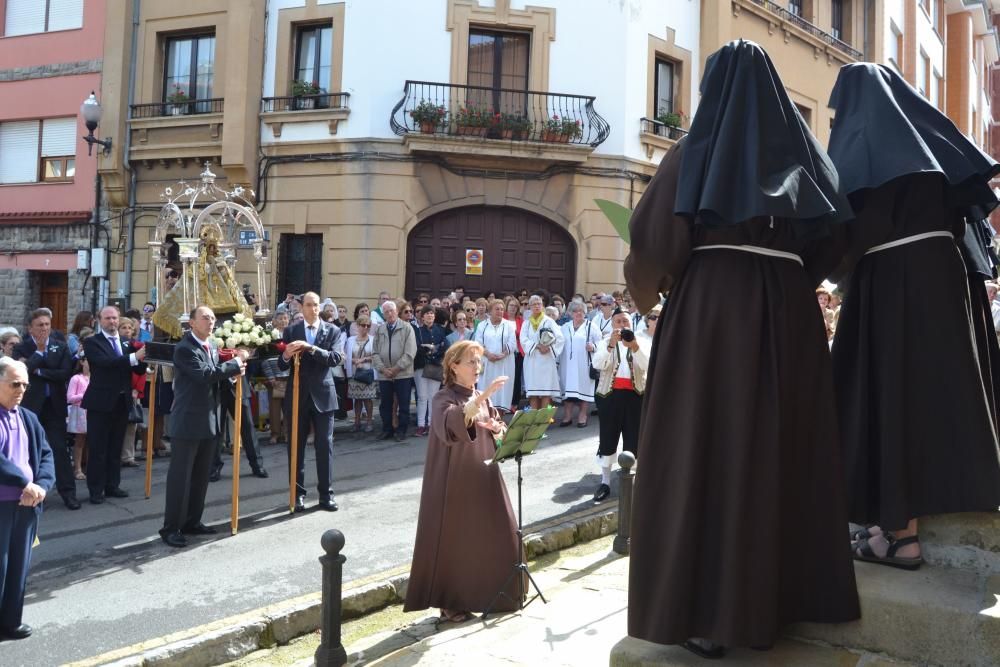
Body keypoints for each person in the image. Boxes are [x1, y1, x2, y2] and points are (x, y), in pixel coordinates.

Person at [623, 40, 860, 656]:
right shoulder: (807, 159)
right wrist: (787, 278)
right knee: (782, 448)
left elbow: (652, 245)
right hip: (789, 315)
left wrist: (655, 290)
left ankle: (710, 613)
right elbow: (836, 238)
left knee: (709, 448)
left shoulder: (693, 153)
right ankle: (786, 599)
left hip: (712, 317)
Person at [827, 62, 1000, 567]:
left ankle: (900, 534)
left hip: (892, 281)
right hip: (949, 281)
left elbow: (842, 230)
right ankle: (905, 521)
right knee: (936, 395)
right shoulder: (930, 144)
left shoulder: (862, 148)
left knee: (892, 397)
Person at [403, 341, 521, 622]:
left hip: (484, 475)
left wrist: (498, 427)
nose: (477, 367)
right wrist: (482, 399)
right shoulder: (444, 397)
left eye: (479, 362)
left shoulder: (482, 395)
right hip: (453, 480)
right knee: (455, 541)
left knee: (498, 531)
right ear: (453, 366)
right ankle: (450, 602)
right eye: (471, 361)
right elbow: (451, 424)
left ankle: (497, 593)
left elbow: (497, 428)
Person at [159, 306, 247, 548]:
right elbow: (204, 375)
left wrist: (232, 374)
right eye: (206, 318)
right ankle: (171, 527)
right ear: (192, 323)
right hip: (187, 421)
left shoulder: (213, 346)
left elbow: (214, 381)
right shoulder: (185, 349)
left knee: (200, 477)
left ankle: (191, 521)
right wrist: (235, 363)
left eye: (213, 318)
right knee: (181, 477)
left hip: (209, 419)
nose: (211, 322)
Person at [0, 357, 55, 639]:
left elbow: (46, 455)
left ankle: (10, 621)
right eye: (15, 384)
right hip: (3, 505)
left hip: (28, 505)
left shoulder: (29, 417)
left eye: (25, 384)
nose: (21, 389)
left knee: (19, 566)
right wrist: (25, 483)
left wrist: (42, 486)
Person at [279, 292, 344, 512]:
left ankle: (326, 495)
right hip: (297, 395)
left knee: (324, 446)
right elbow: (280, 365)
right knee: (295, 447)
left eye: (316, 305)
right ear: (301, 308)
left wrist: (312, 349)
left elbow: (335, 359)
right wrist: (286, 355)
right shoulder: (290, 331)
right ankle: (297, 494)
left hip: (324, 395)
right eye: (309, 305)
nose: (313, 309)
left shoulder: (333, 330)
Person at [81, 306, 147, 504]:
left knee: (115, 447)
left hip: (121, 401)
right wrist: (135, 357)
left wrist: (145, 358)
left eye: (115, 318)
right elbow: (107, 363)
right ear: (99, 320)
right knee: (98, 448)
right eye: (108, 318)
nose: (112, 322)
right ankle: (96, 489)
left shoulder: (126, 342)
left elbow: (137, 368)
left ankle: (112, 485)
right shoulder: (92, 342)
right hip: (100, 403)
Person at [13, 309, 78, 510]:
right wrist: (39, 353)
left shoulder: (60, 346)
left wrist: (39, 369)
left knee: (59, 449)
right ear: (30, 328)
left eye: (47, 325)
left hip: (54, 407)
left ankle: (68, 493)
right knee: (31, 451)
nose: (44, 328)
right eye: (40, 325)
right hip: (31, 407)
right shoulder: (21, 348)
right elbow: (23, 372)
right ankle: (34, 494)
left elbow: (64, 373)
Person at [590, 308, 650, 501]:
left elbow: (648, 366)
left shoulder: (642, 342)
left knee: (634, 437)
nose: (622, 325)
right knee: (608, 437)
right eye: (618, 321)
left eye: (625, 321)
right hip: (610, 395)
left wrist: (634, 347)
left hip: (635, 396)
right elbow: (598, 364)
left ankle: (632, 481)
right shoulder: (604, 341)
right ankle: (605, 481)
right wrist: (610, 345)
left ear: (631, 323)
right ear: (612, 324)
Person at [372, 300, 416, 442]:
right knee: (385, 404)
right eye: (386, 312)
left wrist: (397, 368)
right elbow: (375, 353)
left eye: (391, 310)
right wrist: (383, 369)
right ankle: (387, 430)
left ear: (397, 311)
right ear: (383, 314)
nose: (389, 314)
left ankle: (401, 431)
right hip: (385, 375)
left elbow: (410, 352)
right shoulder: (380, 329)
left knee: (403, 404)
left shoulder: (407, 328)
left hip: (403, 373)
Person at [558, 301, 601, 427]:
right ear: (571, 313)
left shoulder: (591, 326)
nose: (578, 313)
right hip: (566, 365)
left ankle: (583, 415)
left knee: (583, 388)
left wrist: (593, 347)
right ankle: (567, 416)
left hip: (584, 365)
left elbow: (602, 344)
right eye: (575, 311)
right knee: (567, 390)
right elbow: (558, 343)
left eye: (581, 311)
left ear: (585, 313)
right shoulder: (565, 327)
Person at [519, 295, 564, 410]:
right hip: (532, 360)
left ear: (542, 306)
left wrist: (549, 348)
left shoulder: (549, 321)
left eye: (539, 304)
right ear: (530, 307)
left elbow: (560, 338)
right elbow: (523, 339)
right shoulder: (526, 323)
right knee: (533, 392)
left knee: (546, 391)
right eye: (534, 304)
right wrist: (537, 346)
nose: (537, 306)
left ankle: (544, 419)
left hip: (546, 360)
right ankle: (535, 418)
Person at [473, 299, 517, 412]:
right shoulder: (482, 325)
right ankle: (486, 421)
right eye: (497, 309)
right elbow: (478, 342)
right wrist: (488, 354)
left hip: (504, 363)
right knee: (486, 390)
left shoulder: (509, 325)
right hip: (487, 363)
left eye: (502, 309)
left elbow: (512, 343)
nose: (500, 311)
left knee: (502, 391)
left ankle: (499, 422)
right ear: (490, 311)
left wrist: (502, 355)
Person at [413, 305, 448, 437]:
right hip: (421, 366)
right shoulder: (417, 330)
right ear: (422, 317)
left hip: (435, 365)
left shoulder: (440, 330)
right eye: (427, 314)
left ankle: (431, 424)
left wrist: (433, 349)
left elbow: (445, 346)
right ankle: (421, 425)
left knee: (433, 397)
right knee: (422, 397)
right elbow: (416, 347)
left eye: (432, 314)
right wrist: (430, 349)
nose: (430, 316)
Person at [117, 318, 144, 468]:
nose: (127, 330)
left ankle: (128, 455)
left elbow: (141, 372)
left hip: (133, 390)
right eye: (123, 328)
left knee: (131, 425)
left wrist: (137, 389)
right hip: (120, 388)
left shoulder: (137, 346)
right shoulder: (117, 346)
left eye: (129, 328)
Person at [262, 311, 290, 444]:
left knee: (288, 407)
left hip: (289, 377)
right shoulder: (268, 337)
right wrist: (270, 376)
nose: (283, 321)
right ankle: (274, 434)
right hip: (274, 379)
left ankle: (287, 433)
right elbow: (264, 358)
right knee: (274, 408)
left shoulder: (292, 335)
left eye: (286, 318)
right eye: (280, 318)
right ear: (274, 321)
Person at [345, 315, 377, 433]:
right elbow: (346, 356)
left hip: (368, 372)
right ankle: (357, 422)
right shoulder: (350, 340)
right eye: (363, 325)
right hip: (354, 372)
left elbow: (375, 355)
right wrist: (354, 361)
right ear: (357, 326)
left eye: (368, 326)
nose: (366, 328)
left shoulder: (373, 339)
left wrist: (362, 360)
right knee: (357, 399)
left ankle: (369, 422)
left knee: (368, 399)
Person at [66, 356, 89, 481]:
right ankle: (77, 469)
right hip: (80, 411)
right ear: (82, 362)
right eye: (88, 360)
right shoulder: (76, 378)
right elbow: (69, 398)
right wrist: (84, 394)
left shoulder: (96, 377)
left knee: (92, 441)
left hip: (93, 411)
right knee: (80, 441)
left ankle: (89, 467)